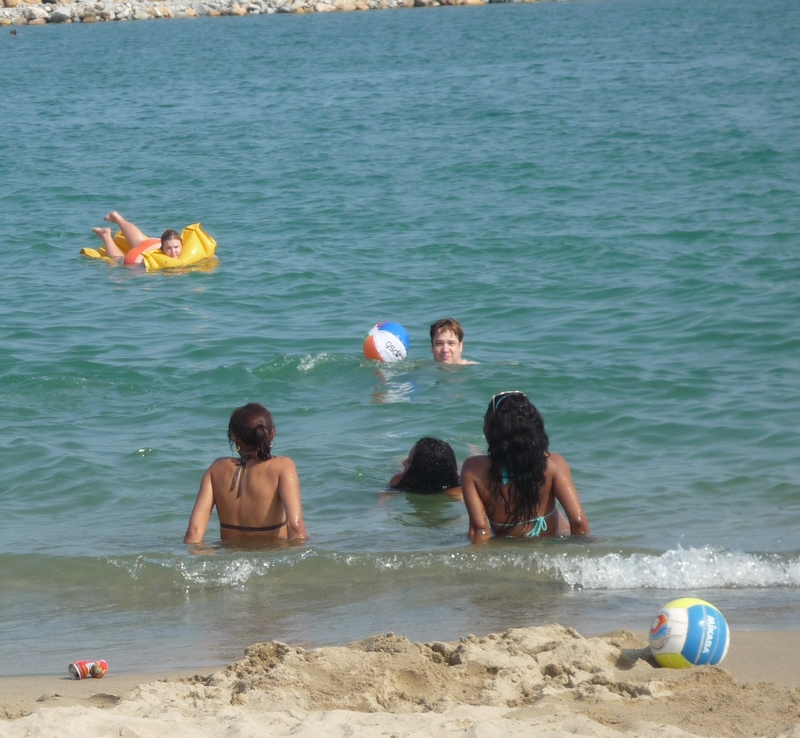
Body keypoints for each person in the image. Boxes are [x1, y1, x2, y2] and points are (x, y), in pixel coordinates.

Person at [460, 392, 589, 541]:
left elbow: (479, 529)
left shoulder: (473, 469)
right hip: (549, 549)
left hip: (509, 550)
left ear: (491, 430)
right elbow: (578, 522)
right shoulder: (554, 464)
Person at [184, 403, 307, 544]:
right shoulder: (283, 467)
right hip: (272, 553)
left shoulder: (216, 469)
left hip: (230, 556)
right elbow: (295, 527)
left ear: (235, 438)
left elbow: (194, 531)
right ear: (271, 434)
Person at [92, 211, 182, 265]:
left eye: (176, 247)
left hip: (154, 242)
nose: (173, 251)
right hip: (138, 256)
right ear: (162, 247)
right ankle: (106, 236)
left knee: (138, 242)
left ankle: (117, 218)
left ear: (181, 244)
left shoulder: (177, 246)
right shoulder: (158, 258)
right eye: (169, 248)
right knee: (117, 260)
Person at [389, 437, 462, 500]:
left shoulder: (454, 488)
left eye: (409, 461)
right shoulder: (400, 480)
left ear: (421, 468)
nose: (403, 463)